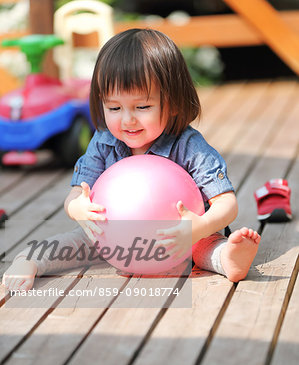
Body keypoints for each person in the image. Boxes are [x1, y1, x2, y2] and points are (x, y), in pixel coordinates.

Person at [2, 28, 260, 292]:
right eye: (114, 108)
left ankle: (228, 259)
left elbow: (226, 203)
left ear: (172, 102)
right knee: (78, 241)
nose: (127, 120)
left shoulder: (189, 145)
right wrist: (77, 208)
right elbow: (76, 194)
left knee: (203, 246)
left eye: (142, 107)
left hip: (181, 237)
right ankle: (30, 260)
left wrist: (201, 225)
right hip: (114, 237)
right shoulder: (104, 141)